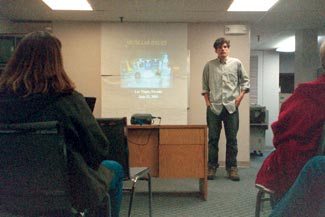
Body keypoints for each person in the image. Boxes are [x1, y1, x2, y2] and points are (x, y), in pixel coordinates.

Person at [0, 31, 124, 217]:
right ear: (56, 63)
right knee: (114, 168)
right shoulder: (69, 101)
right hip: (63, 192)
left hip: (8, 193)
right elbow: (98, 151)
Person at [255, 40, 325, 203]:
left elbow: (281, 131)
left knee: (283, 160)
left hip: (305, 168)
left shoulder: (307, 94)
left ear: (322, 62)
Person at [202, 37, 250, 181]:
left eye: (225, 46)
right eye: (219, 47)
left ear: (228, 48)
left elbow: (245, 82)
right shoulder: (209, 65)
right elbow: (205, 87)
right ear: (215, 50)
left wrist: (240, 97)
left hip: (231, 107)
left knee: (232, 140)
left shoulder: (237, 64)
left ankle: (232, 168)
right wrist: (208, 103)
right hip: (214, 108)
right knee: (213, 139)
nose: (223, 49)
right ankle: (211, 167)